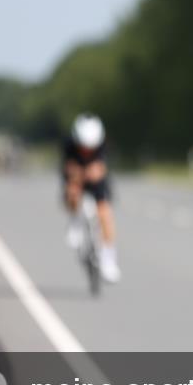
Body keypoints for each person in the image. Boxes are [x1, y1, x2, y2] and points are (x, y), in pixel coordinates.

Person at [62, 113, 121, 283]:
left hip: (97, 181)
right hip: (76, 178)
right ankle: (74, 221)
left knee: (105, 214)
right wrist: (78, 175)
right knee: (72, 191)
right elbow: (69, 169)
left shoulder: (102, 145)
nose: (87, 150)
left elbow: (101, 168)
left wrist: (94, 171)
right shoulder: (69, 145)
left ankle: (108, 259)